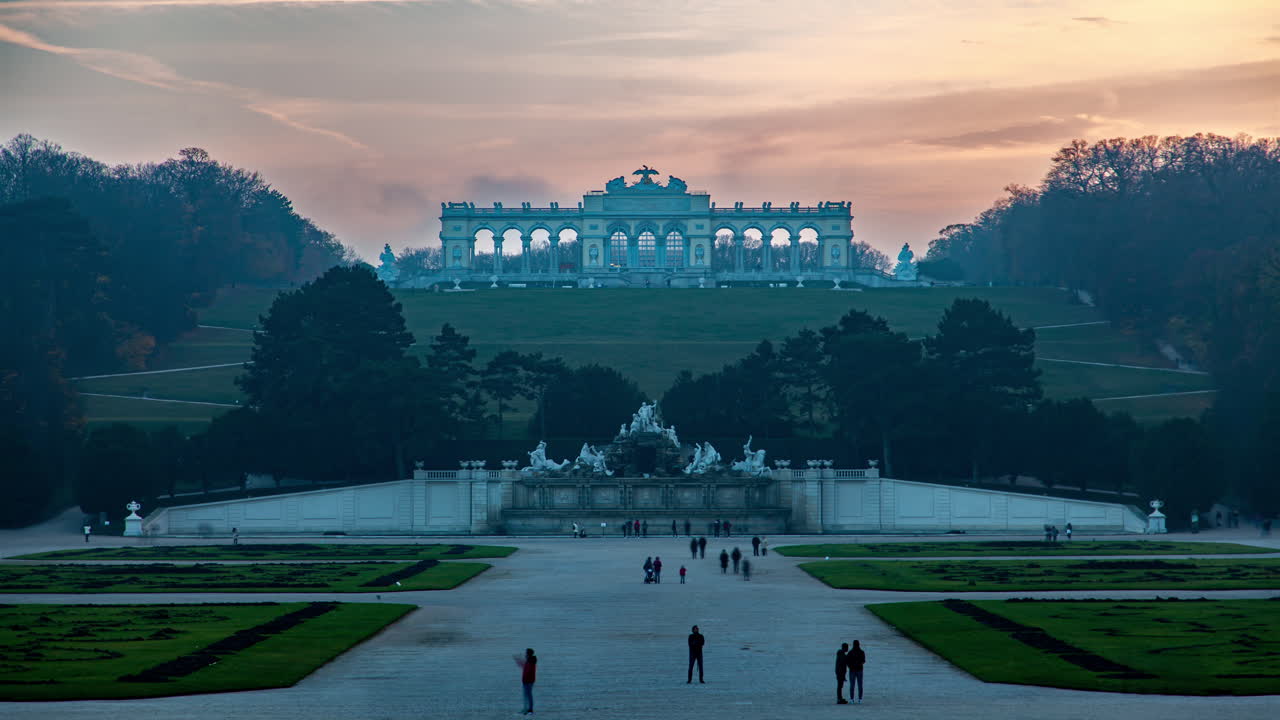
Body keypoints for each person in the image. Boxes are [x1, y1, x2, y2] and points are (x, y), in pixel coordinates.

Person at [514, 648, 537, 714]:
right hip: (527, 681)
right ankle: (527, 709)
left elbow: (527, 670)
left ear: (528, 654)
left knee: (528, 696)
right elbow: (524, 667)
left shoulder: (531, 661)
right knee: (526, 696)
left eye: (526, 653)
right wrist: (518, 660)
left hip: (528, 681)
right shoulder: (529, 661)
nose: (525, 654)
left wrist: (520, 662)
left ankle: (529, 710)